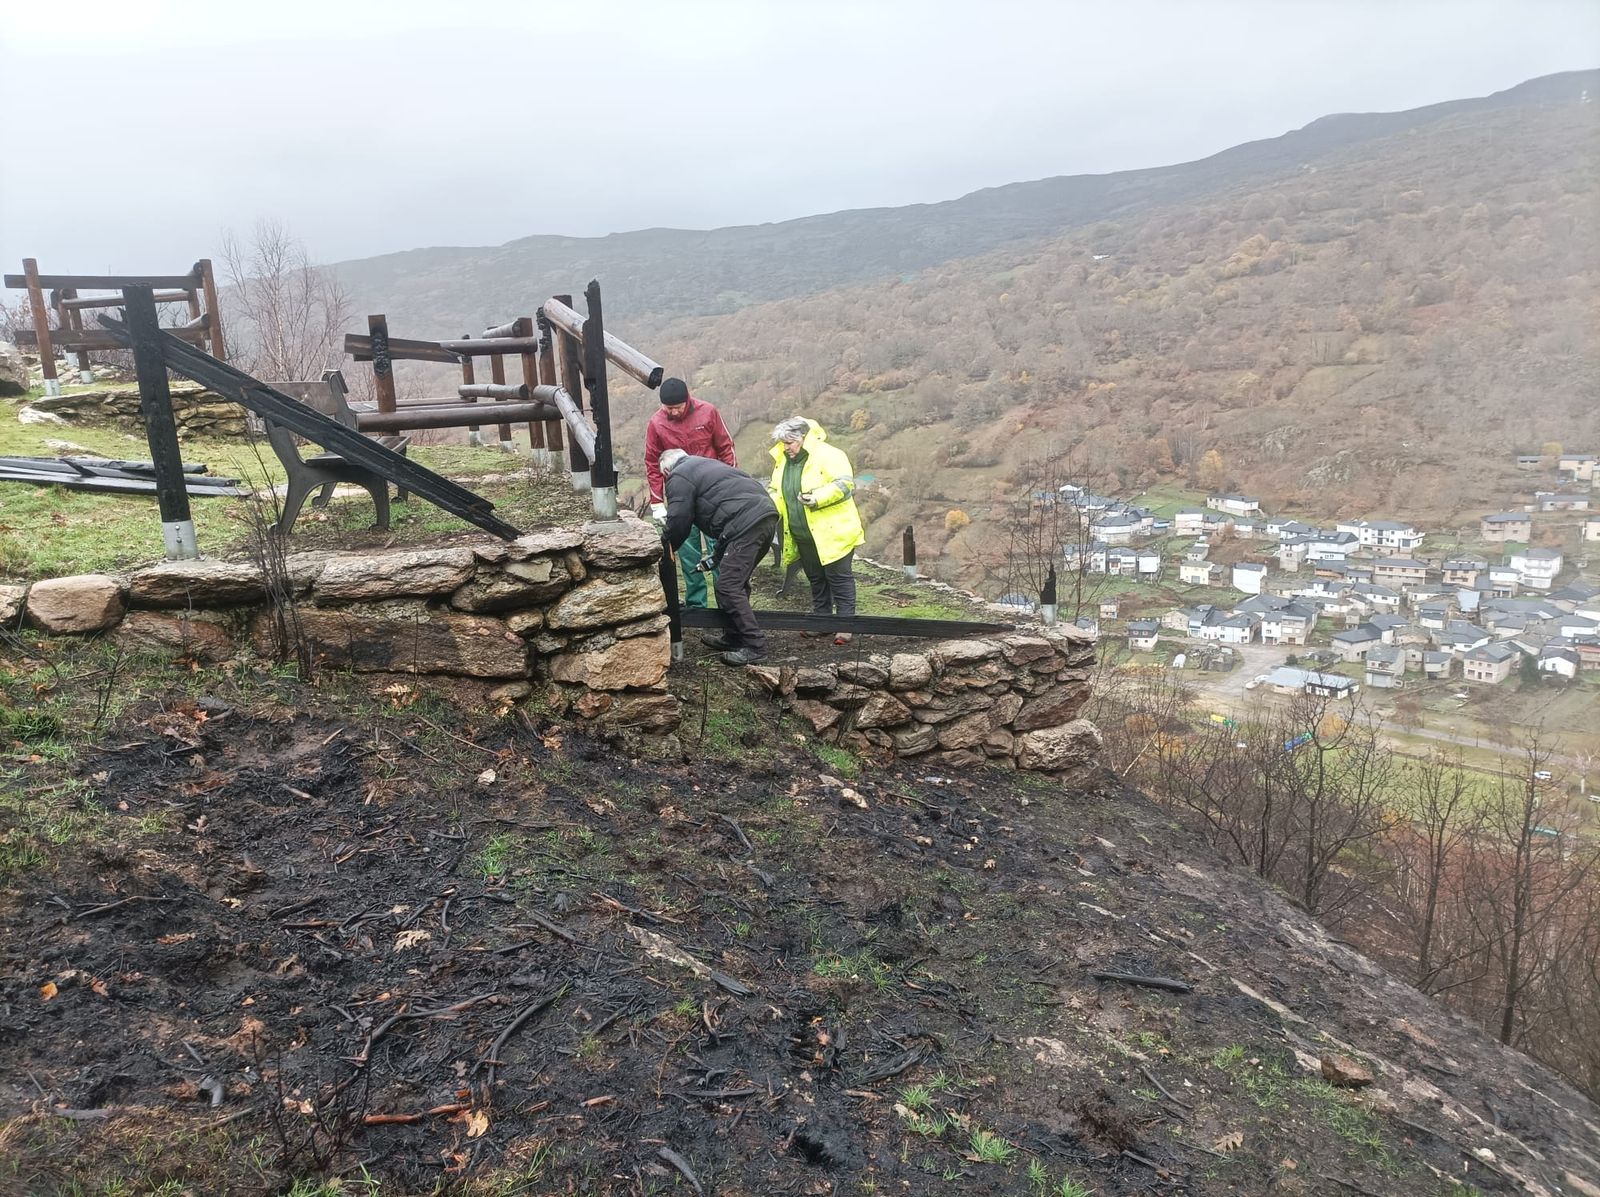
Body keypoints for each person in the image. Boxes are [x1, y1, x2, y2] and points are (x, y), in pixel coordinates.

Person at [659, 447, 779, 666]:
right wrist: (715, 556)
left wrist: (664, 548)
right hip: (763, 517)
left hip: (747, 522)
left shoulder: (679, 474)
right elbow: (728, 512)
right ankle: (734, 637)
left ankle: (756, 646)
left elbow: (679, 519)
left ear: (666, 471)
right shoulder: (705, 465)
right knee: (736, 582)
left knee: (728, 586)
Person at [768, 417, 864, 644]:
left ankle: (844, 625)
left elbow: (845, 484)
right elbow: (775, 489)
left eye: (789, 442)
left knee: (839, 577)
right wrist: (767, 507)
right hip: (802, 533)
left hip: (833, 532)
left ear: (803, 438)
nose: (786, 447)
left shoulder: (829, 454)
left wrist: (817, 498)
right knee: (816, 578)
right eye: (783, 442)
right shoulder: (782, 461)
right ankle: (822, 621)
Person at [644, 377, 736, 608]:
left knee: (720, 548)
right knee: (688, 551)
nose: (673, 412)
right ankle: (697, 605)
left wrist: (729, 483)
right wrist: (657, 502)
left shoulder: (708, 412)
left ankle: (727, 603)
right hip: (681, 496)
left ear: (688, 399)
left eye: (678, 407)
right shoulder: (656, 423)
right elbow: (652, 462)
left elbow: (726, 447)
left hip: (713, 495)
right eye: (668, 408)